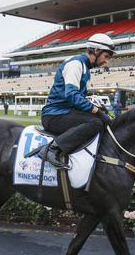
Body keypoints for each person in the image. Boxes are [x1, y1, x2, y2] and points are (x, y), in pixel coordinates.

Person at [38, 33, 114, 167]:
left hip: (64, 112)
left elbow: (79, 99)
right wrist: (97, 111)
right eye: (106, 56)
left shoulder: (86, 68)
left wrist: (99, 110)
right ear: (96, 51)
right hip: (53, 115)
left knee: (100, 121)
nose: (106, 61)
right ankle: (52, 149)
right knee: (96, 123)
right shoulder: (76, 64)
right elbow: (72, 95)